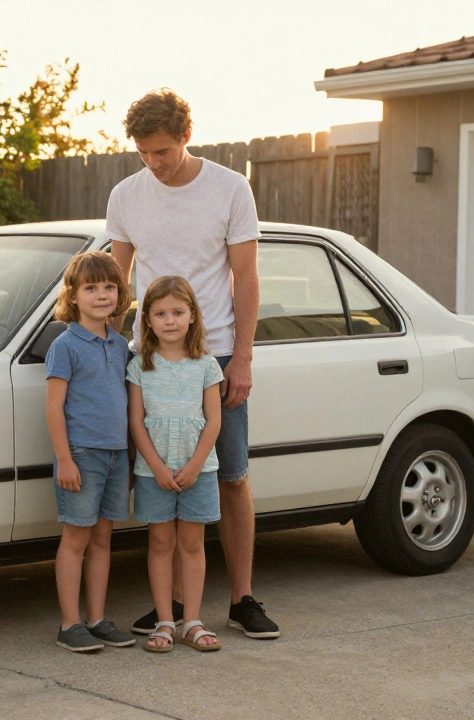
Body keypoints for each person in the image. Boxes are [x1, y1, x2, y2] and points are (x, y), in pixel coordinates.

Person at [108, 89, 280, 639]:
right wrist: (107, 351)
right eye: (143, 152)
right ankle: (174, 606)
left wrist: (244, 358)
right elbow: (116, 280)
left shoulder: (230, 188)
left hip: (217, 351)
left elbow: (246, 277)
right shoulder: (126, 195)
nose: (153, 163)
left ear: (186, 135)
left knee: (229, 476)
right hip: (150, 358)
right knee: (158, 479)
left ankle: (243, 598)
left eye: (161, 150)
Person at [44, 251, 136, 653]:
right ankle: (70, 624)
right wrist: (64, 458)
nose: (102, 295)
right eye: (91, 288)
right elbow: (53, 407)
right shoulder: (65, 345)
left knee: (103, 538)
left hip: (117, 454)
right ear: (74, 296)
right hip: (81, 454)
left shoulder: (120, 346)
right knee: (76, 539)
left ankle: (97, 619)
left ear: (120, 294)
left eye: (109, 287)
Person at [128, 276, 223, 653]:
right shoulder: (140, 365)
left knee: (192, 545)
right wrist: (157, 466)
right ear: (147, 321)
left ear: (192, 316)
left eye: (177, 312)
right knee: (161, 543)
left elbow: (214, 420)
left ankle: (193, 620)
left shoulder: (206, 364)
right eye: (160, 313)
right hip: (155, 472)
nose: (170, 320)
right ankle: (165, 621)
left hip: (199, 469)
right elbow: (136, 421)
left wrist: (195, 465)